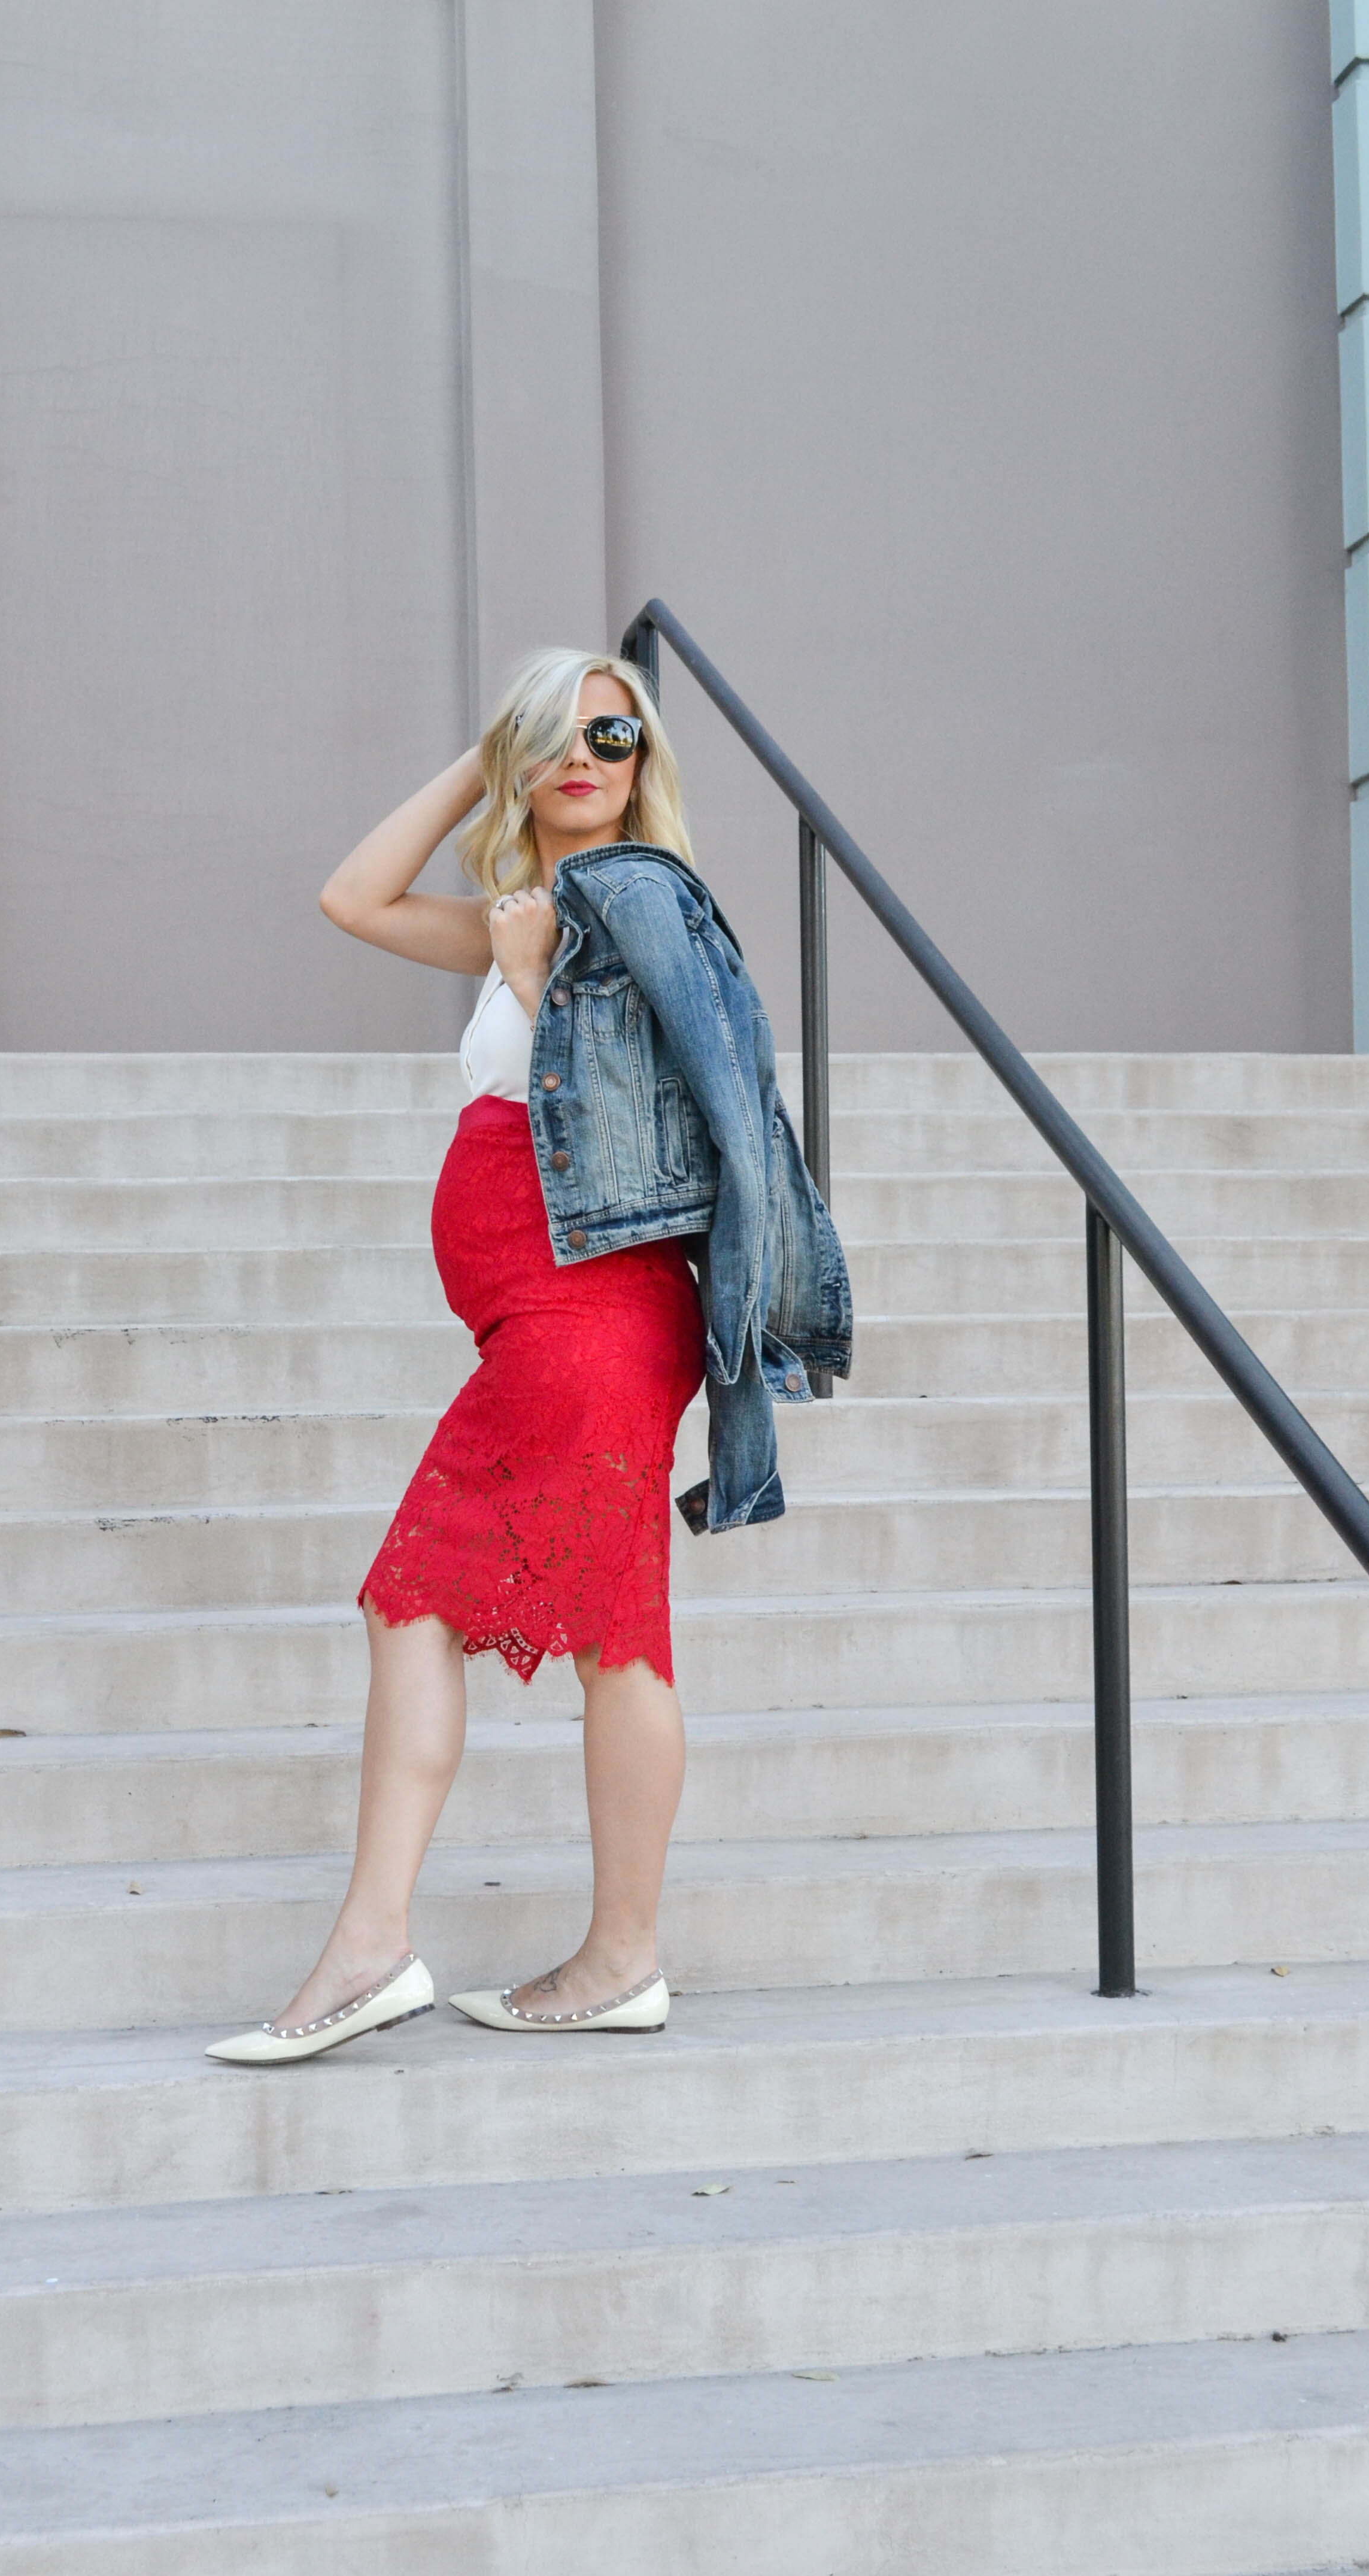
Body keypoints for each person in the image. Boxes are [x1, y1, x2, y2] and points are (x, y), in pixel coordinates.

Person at [207, 647, 849, 2065]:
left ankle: (375, 1945)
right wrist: (484, 763)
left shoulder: (635, 898)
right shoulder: (540, 909)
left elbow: (730, 1092)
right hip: (561, 1317)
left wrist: (539, 980)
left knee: (412, 1598)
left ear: (646, 760)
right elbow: (353, 898)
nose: (584, 754)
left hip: (590, 1318)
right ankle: (619, 1959)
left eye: (612, 731)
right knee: (618, 1641)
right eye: (554, 734)